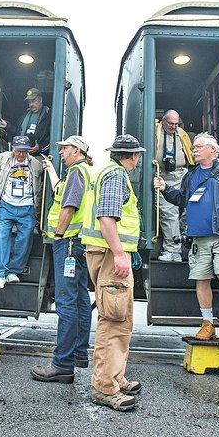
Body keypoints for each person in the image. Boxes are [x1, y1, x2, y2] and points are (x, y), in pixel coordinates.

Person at [153, 132, 219, 349]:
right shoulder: (191, 175)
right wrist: (165, 189)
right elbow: (181, 200)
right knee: (201, 279)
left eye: (198, 146)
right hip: (199, 237)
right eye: (194, 147)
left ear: (212, 151)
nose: (194, 149)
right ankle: (208, 324)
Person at [81, 134, 144, 412]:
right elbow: (106, 216)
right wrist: (119, 253)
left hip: (107, 253)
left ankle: (116, 376)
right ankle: (104, 387)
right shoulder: (117, 175)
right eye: (137, 155)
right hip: (109, 255)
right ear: (132, 157)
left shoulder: (107, 172)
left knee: (122, 317)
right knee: (114, 319)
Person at [31, 135, 94, 383]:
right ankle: (78, 353)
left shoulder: (77, 173)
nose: (61, 152)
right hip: (78, 242)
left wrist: (58, 235)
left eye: (64, 148)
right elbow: (61, 191)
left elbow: (69, 205)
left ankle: (62, 364)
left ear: (76, 150)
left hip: (68, 242)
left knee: (66, 302)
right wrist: (51, 170)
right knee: (79, 299)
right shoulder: (81, 173)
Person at [0, 135, 44, 289]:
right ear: (12, 148)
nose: (20, 154)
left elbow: (40, 185)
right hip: (6, 204)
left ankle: (13, 271)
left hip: (27, 206)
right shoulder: (4, 158)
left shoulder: (35, 164)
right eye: (17, 151)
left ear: (29, 150)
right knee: (2, 236)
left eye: (24, 151)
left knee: (25, 239)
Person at [154, 110, 194, 261]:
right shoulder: (155, 131)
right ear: (163, 121)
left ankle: (181, 246)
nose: (173, 127)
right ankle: (173, 249)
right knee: (168, 210)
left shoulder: (182, 134)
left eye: (176, 124)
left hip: (181, 175)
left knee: (185, 211)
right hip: (162, 175)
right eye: (170, 123)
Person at [1, 87, 51, 155]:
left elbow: (52, 139)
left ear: (40, 99)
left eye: (33, 101)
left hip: (37, 155)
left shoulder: (48, 114)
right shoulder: (25, 114)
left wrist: (39, 148)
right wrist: (7, 126)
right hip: (19, 153)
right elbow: (17, 131)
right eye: (29, 102)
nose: (31, 105)